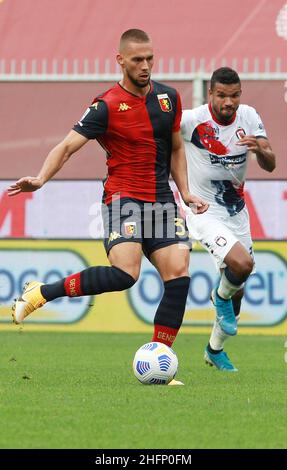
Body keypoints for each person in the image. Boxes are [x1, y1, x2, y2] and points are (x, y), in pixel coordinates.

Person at [8, 29, 208, 384]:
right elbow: (67, 147)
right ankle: (41, 292)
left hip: (161, 199)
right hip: (123, 197)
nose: (145, 66)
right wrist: (40, 179)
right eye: (137, 60)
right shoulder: (106, 105)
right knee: (124, 276)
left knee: (178, 274)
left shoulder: (169, 97)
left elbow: (177, 148)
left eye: (150, 58)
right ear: (120, 60)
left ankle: (160, 359)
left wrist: (186, 192)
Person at [181, 67, 276, 371]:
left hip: (237, 213)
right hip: (203, 210)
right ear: (211, 94)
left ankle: (214, 349)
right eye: (222, 95)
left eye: (234, 95)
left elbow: (270, 163)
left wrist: (260, 148)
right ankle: (218, 298)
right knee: (242, 265)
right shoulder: (192, 120)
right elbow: (160, 133)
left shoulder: (249, 116)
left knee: (239, 289)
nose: (229, 102)